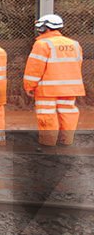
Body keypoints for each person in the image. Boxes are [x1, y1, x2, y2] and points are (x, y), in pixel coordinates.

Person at [23, 14, 85, 146]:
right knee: (68, 113)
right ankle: (66, 141)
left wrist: (30, 86)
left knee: (47, 115)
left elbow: (34, 68)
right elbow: (77, 64)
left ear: (45, 27)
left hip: (48, 89)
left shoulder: (42, 44)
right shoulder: (74, 44)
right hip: (70, 89)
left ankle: (48, 142)